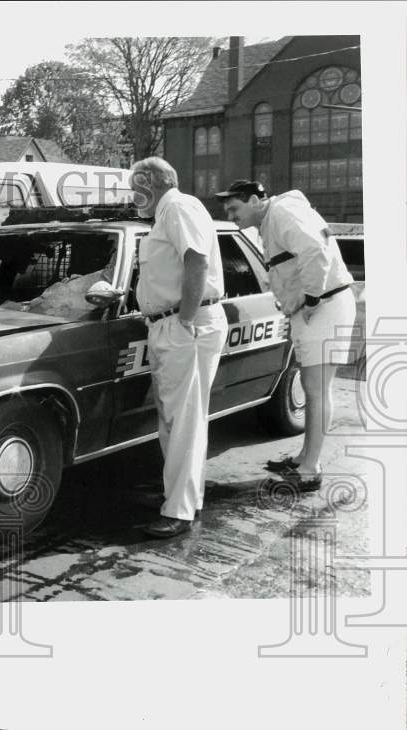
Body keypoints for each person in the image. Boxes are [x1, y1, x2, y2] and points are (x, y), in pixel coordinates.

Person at [216, 179, 356, 492]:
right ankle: (305, 456)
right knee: (311, 387)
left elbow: (314, 250)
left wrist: (311, 297)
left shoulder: (282, 213)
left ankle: (310, 469)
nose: (230, 215)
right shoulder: (273, 217)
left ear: (255, 200)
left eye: (234, 208)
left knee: (317, 390)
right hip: (319, 306)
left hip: (326, 305)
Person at [131, 157, 228, 538]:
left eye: (134, 186)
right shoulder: (169, 211)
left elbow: (196, 261)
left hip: (184, 324)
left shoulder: (178, 207)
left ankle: (180, 511)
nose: (132, 195)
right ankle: (183, 498)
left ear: (149, 182)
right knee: (176, 419)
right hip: (172, 324)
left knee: (184, 420)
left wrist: (185, 319)